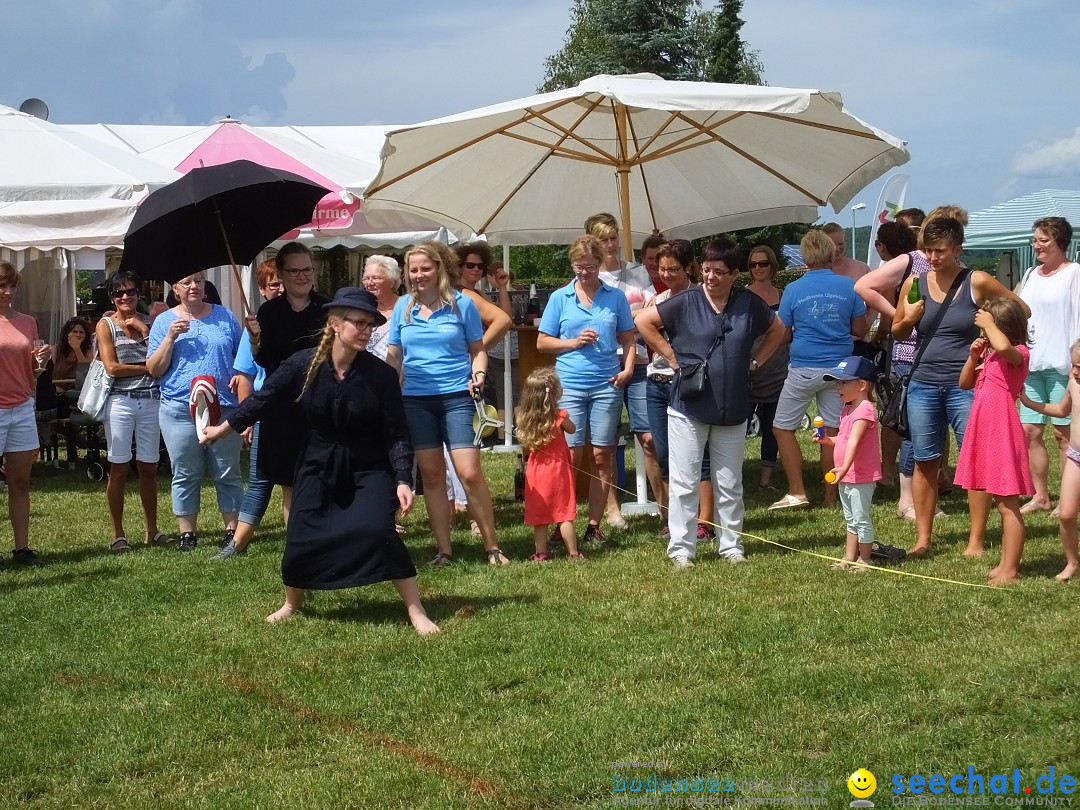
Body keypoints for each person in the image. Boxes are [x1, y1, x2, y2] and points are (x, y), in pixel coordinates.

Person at [201, 288, 438, 634]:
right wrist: (223, 429)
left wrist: (403, 478)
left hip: (368, 466)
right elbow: (264, 400)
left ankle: (416, 611)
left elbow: (397, 434)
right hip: (316, 461)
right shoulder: (302, 364)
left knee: (378, 531)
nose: (365, 330)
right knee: (300, 535)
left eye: (369, 324)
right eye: (357, 323)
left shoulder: (381, 376)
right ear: (334, 324)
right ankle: (292, 603)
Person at [636, 239, 786, 568]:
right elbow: (643, 322)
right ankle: (681, 549)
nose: (710, 277)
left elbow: (778, 330)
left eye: (718, 272)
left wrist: (756, 362)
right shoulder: (686, 301)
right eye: (705, 270)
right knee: (685, 479)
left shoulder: (749, 302)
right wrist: (673, 357)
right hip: (688, 406)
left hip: (733, 407)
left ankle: (731, 545)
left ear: (735, 274)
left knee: (730, 481)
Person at [892, 217, 1030, 559]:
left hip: (968, 386)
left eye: (939, 251)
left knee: (977, 461)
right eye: (928, 250)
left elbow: (1021, 309)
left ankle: (976, 541)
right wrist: (909, 319)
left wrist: (993, 331)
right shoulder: (914, 281)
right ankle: (923, 539)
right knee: (924, 460)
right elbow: (894, 331)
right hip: (923, 382)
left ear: (958, 250)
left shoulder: (977, 281)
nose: (933, 257)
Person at [385, 242, 505, 566]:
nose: (419, 275)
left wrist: (478, 373)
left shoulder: (461, 304)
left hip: (457, 396)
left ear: (438, 268)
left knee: (469, 472)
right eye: (413, 269)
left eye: (425, 268)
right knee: (433, 475)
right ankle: (444, 551)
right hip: (415, 400)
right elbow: (394, 356)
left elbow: (477, 349)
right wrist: (385, 384)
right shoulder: (402, 308)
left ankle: (492, 546)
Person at [855, 205, 969, 518]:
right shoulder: (913, 260)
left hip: (945, 363)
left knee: (932, 432)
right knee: (913, 430)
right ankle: (908, 499)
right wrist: (901, 316)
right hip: (911, 358)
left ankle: (927, 491)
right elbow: (864, 286)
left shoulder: (962, 270)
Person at [537, 234, 636, 545]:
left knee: (602, 455)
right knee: (569, 455)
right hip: (570, 384)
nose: (584, 273)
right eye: (578, 267)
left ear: (600, 264)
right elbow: (542, 343)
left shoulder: (615, 297)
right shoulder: (559, 298)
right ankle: (562, 521)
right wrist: (572, 342)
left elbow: (629, 339)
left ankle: (594, 524)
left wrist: (628, 369)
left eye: (590, 267)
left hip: (607, 383)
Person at [770, 229, 868, 510]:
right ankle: (831, 496)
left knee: (782, 428)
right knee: (834, 431)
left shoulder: (793, 289)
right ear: (830, 253)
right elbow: (860, 329)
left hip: (803, 367)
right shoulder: (848, 286)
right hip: (839, 370)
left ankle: (798, 490)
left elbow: (785, 334)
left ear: (805, 256)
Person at [147, 271, 244, 552]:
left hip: (224, 405)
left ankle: (232, 530)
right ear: (175, 289)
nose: (194, 287)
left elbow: (242, 358)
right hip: (179, 407)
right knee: (185, 471)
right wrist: (169, 338)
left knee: (227, 470)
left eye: (199, 281)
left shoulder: (225, 316)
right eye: (186, 282)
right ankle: (187, 533)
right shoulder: (164, 321)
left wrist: (254, 337)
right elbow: (153, 369)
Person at [245, 242, 327, 547]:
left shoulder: (327, 309)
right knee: (290, 481)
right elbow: (266, 361)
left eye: (307, 269)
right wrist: (255, 341)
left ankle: (324, 539)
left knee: (322, 476)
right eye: (294, 271)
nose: (302, 276)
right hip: (283, 407)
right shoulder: (268, 313)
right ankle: (298, 545)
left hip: (320, 402)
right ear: (281, 273)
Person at [584, 213, 659, 528]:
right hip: (603, 366)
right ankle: (612, 511)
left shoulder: (638, 272)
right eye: (603, 239)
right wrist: (633, 315)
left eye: (614, 237)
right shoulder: (588, 280)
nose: (611, 244)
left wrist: (623, 318)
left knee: (650, 438)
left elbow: (656, 311)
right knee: (606, 442)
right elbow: (594, 325)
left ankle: (666, 508)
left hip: (639, 362)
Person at [954, 297, 1032, 585]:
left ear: (1006, 327)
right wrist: (973, 357)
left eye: (990, 325)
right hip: (985, 428)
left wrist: (987, 322)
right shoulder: (991, 355)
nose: (983, 332)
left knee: (1007, 504)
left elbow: (1004, 347)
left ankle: (1010, 570)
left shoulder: (1018, 353)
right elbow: (964, 384)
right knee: (1000, 501)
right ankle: (1004, 565)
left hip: (1002, 431)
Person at [640, 240, 713, 534]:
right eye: (661, 268)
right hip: (656, 382)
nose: (666, 274)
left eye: (672, 269)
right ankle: (674, 518)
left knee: (700, 453)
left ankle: (705, 521)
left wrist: (676, 358)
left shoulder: (702, 298)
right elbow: (642, 329)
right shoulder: (657, 301)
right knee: (664, 451)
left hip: (689, 384)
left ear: (688, 268)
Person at [95, 271, 168, 552]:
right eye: (118, 293)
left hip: (151, 400)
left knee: (149, 468)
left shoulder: (152, 323)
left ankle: (153, 530)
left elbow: (161, 358)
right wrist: (147, 368)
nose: (125, 297)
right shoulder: (105, 325)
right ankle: (118, 534)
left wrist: (146, 331)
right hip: (120, 402)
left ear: (140, 294)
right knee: (119, 468)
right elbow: (112, 367)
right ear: (111, 297)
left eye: (130, 292)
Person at [217, 260, 284, 560]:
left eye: (285, 281)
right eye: (274, 284)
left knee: (294, 481)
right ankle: (238, 543)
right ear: (262, 289)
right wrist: (248, 420)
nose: (281, 288)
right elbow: (244, 377)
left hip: (300, 410)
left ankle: (296, 542)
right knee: (260, 478)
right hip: (267, 410)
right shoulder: (254, 328)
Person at [1016, 217, 1080, 515]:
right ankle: (1041, 496)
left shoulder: (1074, 273)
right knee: (1030, 431)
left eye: (1043, 240)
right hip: (1031, 364)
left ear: (1059, 241)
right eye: (1036, 239)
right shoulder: (1030, 274)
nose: (1037, 245)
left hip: (1063, 364)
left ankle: (1070, 497)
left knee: (1064, 434)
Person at [0, 261, 52, 566]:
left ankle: (22, 549)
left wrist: (41, 361)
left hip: (21, 408)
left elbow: (31, 373)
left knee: (20, 483)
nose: (8, 292)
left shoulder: (27, 322)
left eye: (12, 286)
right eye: (2, 286)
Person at [813, 356, 882, 573]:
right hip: (846, 475)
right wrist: (827, 441)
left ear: (862, 385)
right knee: (850, 518)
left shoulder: (865, 411)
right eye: (837, 382)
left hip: (859, 475)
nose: (837, 387)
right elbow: (843, 439)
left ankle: (866, 559)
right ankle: (849, 557)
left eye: (843, 382)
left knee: (861, 519)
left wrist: (844, 468)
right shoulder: (848, 410)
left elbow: (854, 441)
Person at [1020, 339, 1080, 581]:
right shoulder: (1073, 383)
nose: (1075, 371)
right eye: (1074, 365)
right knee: (1066, 514)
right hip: (1076, 457)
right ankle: (1071, 562)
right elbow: (1062, 410)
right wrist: (1029, 403)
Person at [516, 367, 583, 562]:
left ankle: (541, 552)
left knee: (540, 514)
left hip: (537, 472)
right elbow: (572, 430)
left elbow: (525, 442)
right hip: (558, 470)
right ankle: (573, 552)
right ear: (554, 393)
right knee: (564, 513)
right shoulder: (559, 415)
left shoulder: (524, 417)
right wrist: (563, 416)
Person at [745, 245, 789, 490]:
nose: (758, 268)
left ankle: (766, 479)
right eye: (753, 264)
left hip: (778, 368)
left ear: (772, 266)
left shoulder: (783, 295)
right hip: (747, 370)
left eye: (763, 263)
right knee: (739, 424)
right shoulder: (742, 296)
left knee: (774, 426)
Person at [362, 255, 404, 362]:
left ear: (392, 282)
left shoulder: (406, 307)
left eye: (376, 278)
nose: (369, 283)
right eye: (366, 278)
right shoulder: (362, 309)